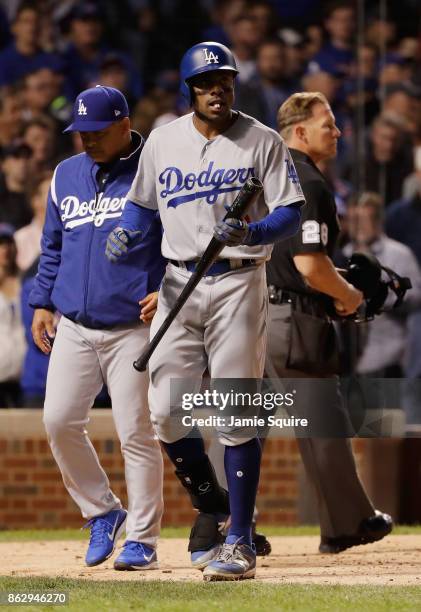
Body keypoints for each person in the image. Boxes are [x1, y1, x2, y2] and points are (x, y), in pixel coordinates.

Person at [106, 42, 304, 581]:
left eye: (225, 80)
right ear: (189, 89)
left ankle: (239, 540)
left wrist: (254, 230)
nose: (218, 89)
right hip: (179, 281)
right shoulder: (165, 140)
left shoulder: (261, 139)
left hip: (240, 280)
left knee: (236, 409)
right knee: (167, 413)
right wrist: (128, 228)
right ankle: (213, 504)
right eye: (207, 82)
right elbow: (143, 204)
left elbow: (292, 210)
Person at [29, 86, 166, 570]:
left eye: (97, 131)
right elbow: (52, 244)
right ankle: (103, 511)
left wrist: (168, 288)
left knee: (137, 433)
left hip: (134, 324)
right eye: (81, 132)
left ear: (124, 124)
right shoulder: (66, 173)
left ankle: (143, 540)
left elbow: (184, 235)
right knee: (59, 421)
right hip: (75, 323)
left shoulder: (154, 167)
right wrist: (42, 302)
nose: (87, 141)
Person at [262, 91, 392, 552]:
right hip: (292, 321)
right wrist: (350, 295)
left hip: (246, 316)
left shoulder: (260, 175)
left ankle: (224, 528)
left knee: (239, 429)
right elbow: (310, 267)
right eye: (328, 125)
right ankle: (348, 524)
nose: (337, 133)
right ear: (300, 132)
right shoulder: (309, 183)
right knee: (323, 424)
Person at [0, 223, 26, 407]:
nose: (5, 249)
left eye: (8, 243)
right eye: (0, 244)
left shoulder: (25, 281)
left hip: (21, 375)